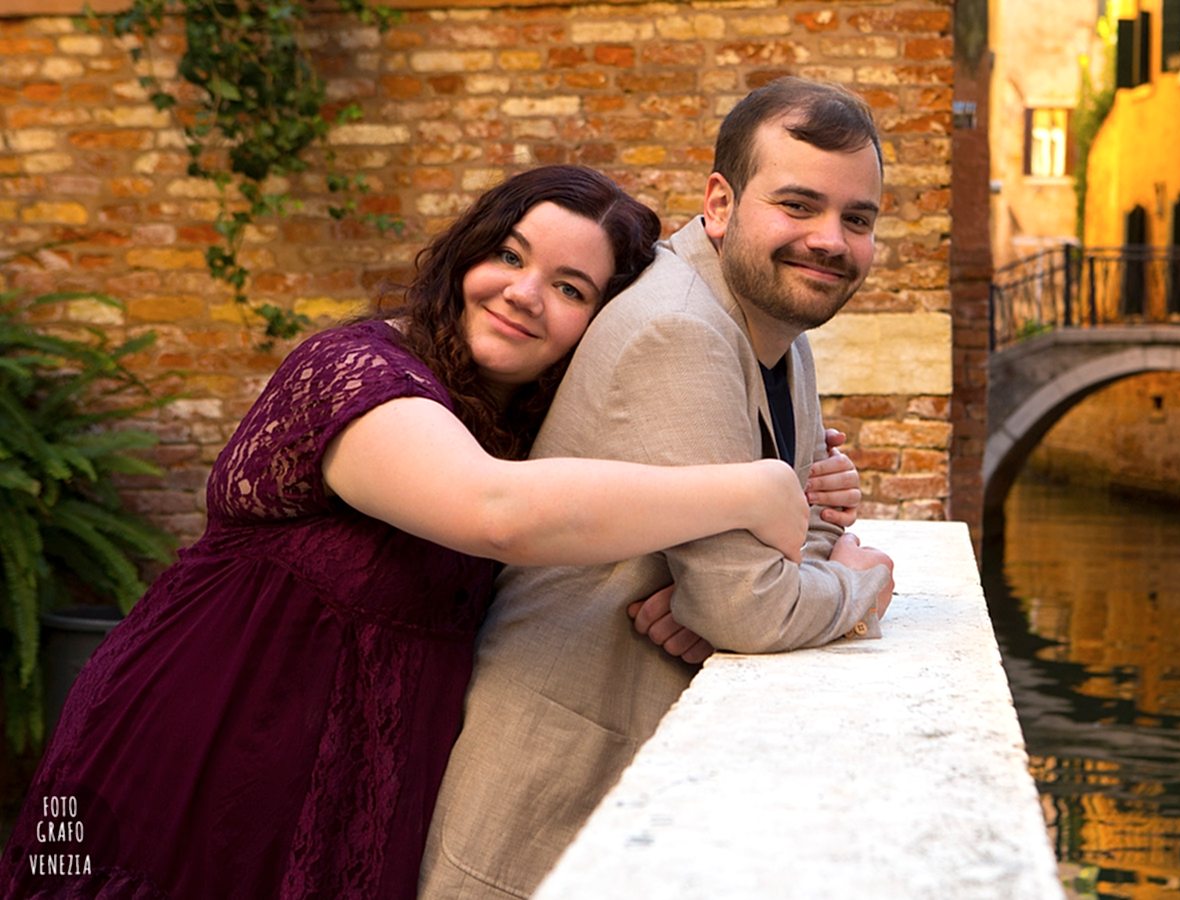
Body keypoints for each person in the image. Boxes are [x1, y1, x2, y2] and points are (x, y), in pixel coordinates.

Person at [0, 165, 854, 898]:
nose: (524, 294)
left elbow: (600, 500)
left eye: (570, 288)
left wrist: (731, 554)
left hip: (361, 779)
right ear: (465, 254)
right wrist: (756, 488)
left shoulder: (518, 426)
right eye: (509, 256)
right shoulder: (358, 372)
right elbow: (497, 513)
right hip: (202, 745)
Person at [419, 77, 897, 898]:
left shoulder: (777, 324)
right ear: (720, 201)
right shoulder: (682, 329)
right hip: (553, 783)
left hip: (632, 784)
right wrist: (859, 586)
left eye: (857, 220)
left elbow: (796, 530)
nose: (829, 240)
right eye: (798, 204)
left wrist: (761, 577)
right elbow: (750, 605)